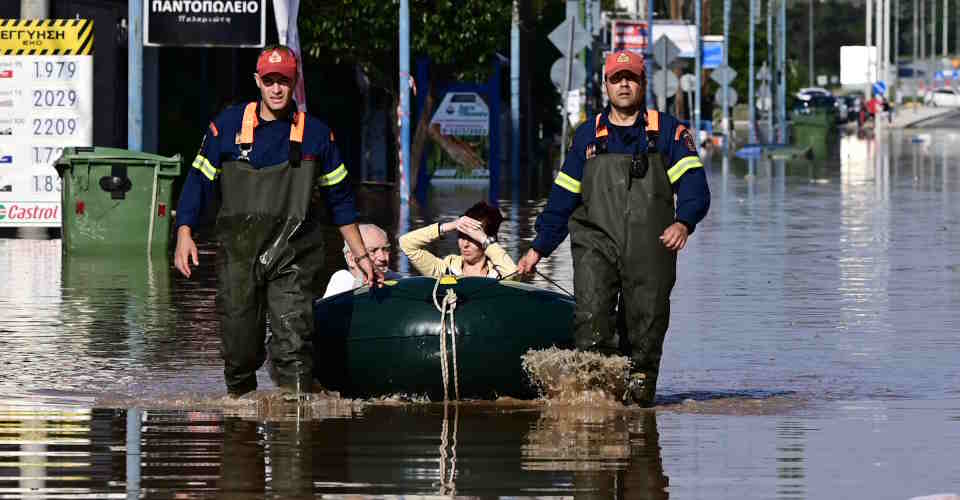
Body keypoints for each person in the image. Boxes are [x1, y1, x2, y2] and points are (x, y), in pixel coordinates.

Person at [173, 45, 384, 398]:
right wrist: (184, 233)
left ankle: (296, 426)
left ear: (294, 82)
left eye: (283, 81)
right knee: (240, 349)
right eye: (269, 80)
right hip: (239, 256)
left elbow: (342, 205)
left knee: (294, 342)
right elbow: (197, 182)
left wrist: (363, 257)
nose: (276, 89)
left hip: (294, 258)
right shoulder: (226, 127)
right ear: (257, 81)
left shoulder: (317, 136)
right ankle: (241, 428)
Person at [516, 50, 711, 407]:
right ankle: (595, 412)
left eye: (631, 78)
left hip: (651, 248)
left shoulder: (668, 132)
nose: (624, 84)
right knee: (591, 320)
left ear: (642, 83)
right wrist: (538, 248)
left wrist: (684, 222)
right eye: (616, 78)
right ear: (606, 85)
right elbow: (563, 198)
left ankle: (638, 417)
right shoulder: (587, 136)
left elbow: (696, 187)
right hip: (595, 243)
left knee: (646, 331)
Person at [399, 201, 517, 279]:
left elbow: (513, 274)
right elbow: (406, 243)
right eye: (461, 236)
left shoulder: (499, 273)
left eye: (472, 239)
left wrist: (484, 239)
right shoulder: (444, 270)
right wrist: (452, 225)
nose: (465, 245)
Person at [323, 223, 400, 298]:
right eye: (372, 251)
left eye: (385, 249)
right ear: (351, 259)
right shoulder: (343, 279)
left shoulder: (396, 279)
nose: (382, 257)